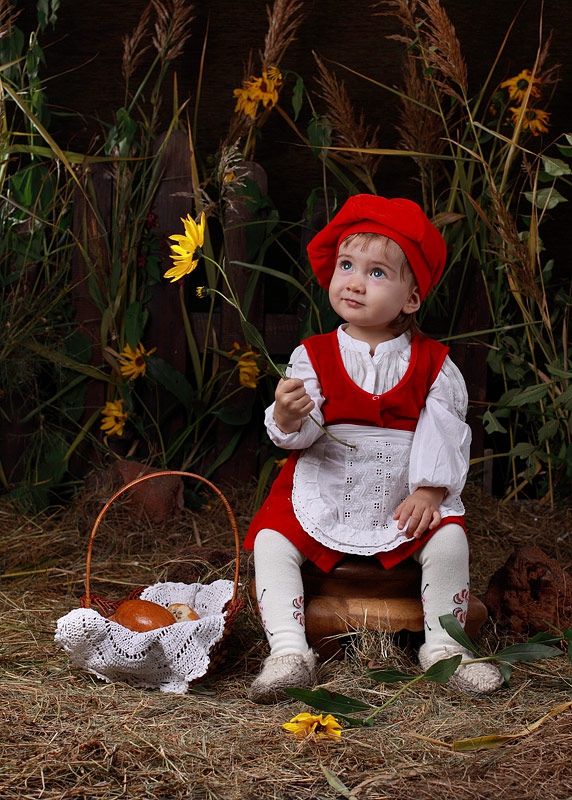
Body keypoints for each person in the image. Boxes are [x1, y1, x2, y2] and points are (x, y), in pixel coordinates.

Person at [244, 194, 503, 703]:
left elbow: (444, 432)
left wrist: (429, 491)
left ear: (411, 298)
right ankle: (289, 651)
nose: (355, 282)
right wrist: (290, 415)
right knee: (272, 539)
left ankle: (446, 648)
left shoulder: (433, 363)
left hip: (400, 490)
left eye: (377, 272)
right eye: (346, 265)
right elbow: (304, 433)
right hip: (328, 480)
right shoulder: (312, 355)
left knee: (449, 540)